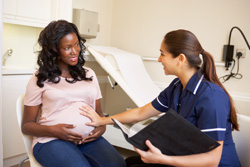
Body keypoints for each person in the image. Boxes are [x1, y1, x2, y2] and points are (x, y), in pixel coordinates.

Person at [80, 29, 241, 167]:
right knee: (129, 162)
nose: (159, 59)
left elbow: (212, 160)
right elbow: (141, 113)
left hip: (212, 164)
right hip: (186, 157)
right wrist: (101, 121)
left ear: (180, 59)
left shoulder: (211, 97)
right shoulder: (177, 86)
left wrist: (163, 159)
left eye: (162, 54)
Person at [22, 20, 126, 167]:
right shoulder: (40, 78)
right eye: (67, 47)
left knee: (118, 164)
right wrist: (54, 131)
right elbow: (27, 125)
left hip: (87, 140)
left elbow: (100, 115)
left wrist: (101, 128)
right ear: (54, 49)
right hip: (51, 140)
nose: (74, 51)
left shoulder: (89, 74)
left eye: (76, 44)